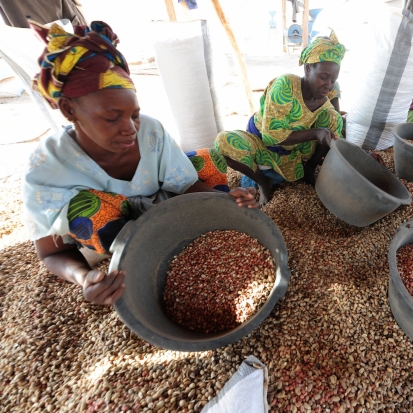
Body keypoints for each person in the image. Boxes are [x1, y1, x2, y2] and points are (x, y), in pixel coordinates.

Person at [23, 21, 258, 306]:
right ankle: (147, 253)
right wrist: (84, 277)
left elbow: (186, 184)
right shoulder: (47, 166)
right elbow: (51, 253)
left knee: (207, 159)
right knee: (87, 210)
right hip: (112, 228)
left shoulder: (150, 131)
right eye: (112, 118)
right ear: (68, 109)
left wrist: (224, 200)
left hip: (160, 204)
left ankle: (201, 228)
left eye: (134, 114)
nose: (131, 129)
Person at [214, 31, 346, 205]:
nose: (328, 85)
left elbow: (336, 131)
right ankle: (263, 181)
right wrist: (316, 133)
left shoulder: (329, 91)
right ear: (307, 68)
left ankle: (308, 170)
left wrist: (363, 155)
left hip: (294, 151)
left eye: (333, 79)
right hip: (263, 144)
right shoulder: (285, 87)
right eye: (323, 77)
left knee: (334, 119)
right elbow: (272, 136)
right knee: (224, 142)